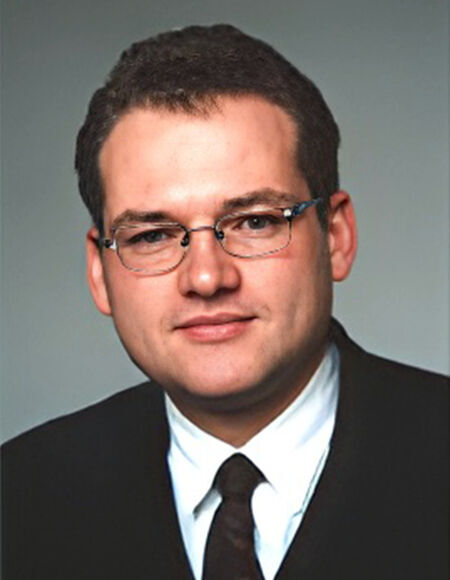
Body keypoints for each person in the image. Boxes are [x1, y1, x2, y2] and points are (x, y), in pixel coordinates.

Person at [2, 24, 448, 580]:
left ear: (335, 236)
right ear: (99, 272)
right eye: (152, 235)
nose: (207, 277)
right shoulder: (18, 498)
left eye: (255, 222)